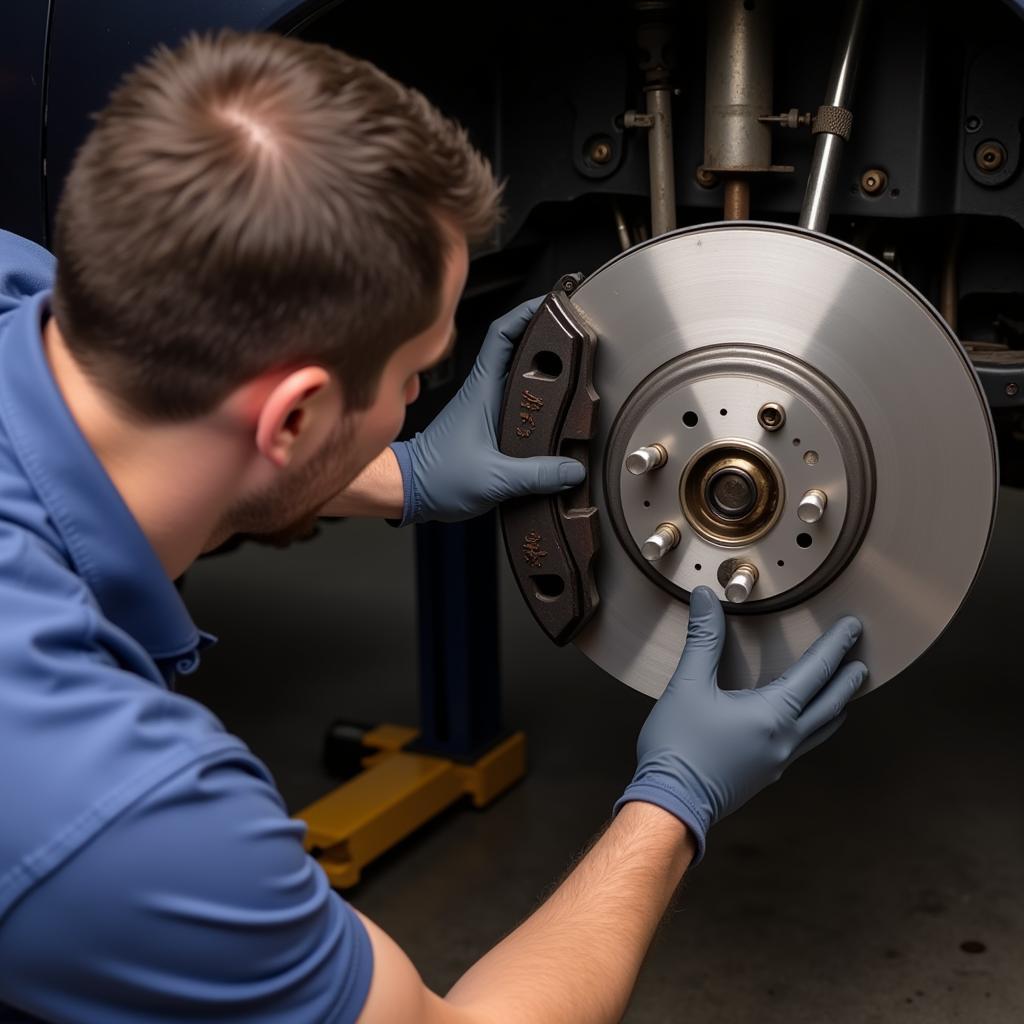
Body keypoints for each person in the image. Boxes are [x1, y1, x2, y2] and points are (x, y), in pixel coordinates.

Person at [0, 30, 867, 1023]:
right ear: (292, 418)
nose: (421, 397)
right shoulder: (121, 815)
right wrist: (674, 800)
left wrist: (400, 475)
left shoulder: (20, 279)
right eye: (418, 378)